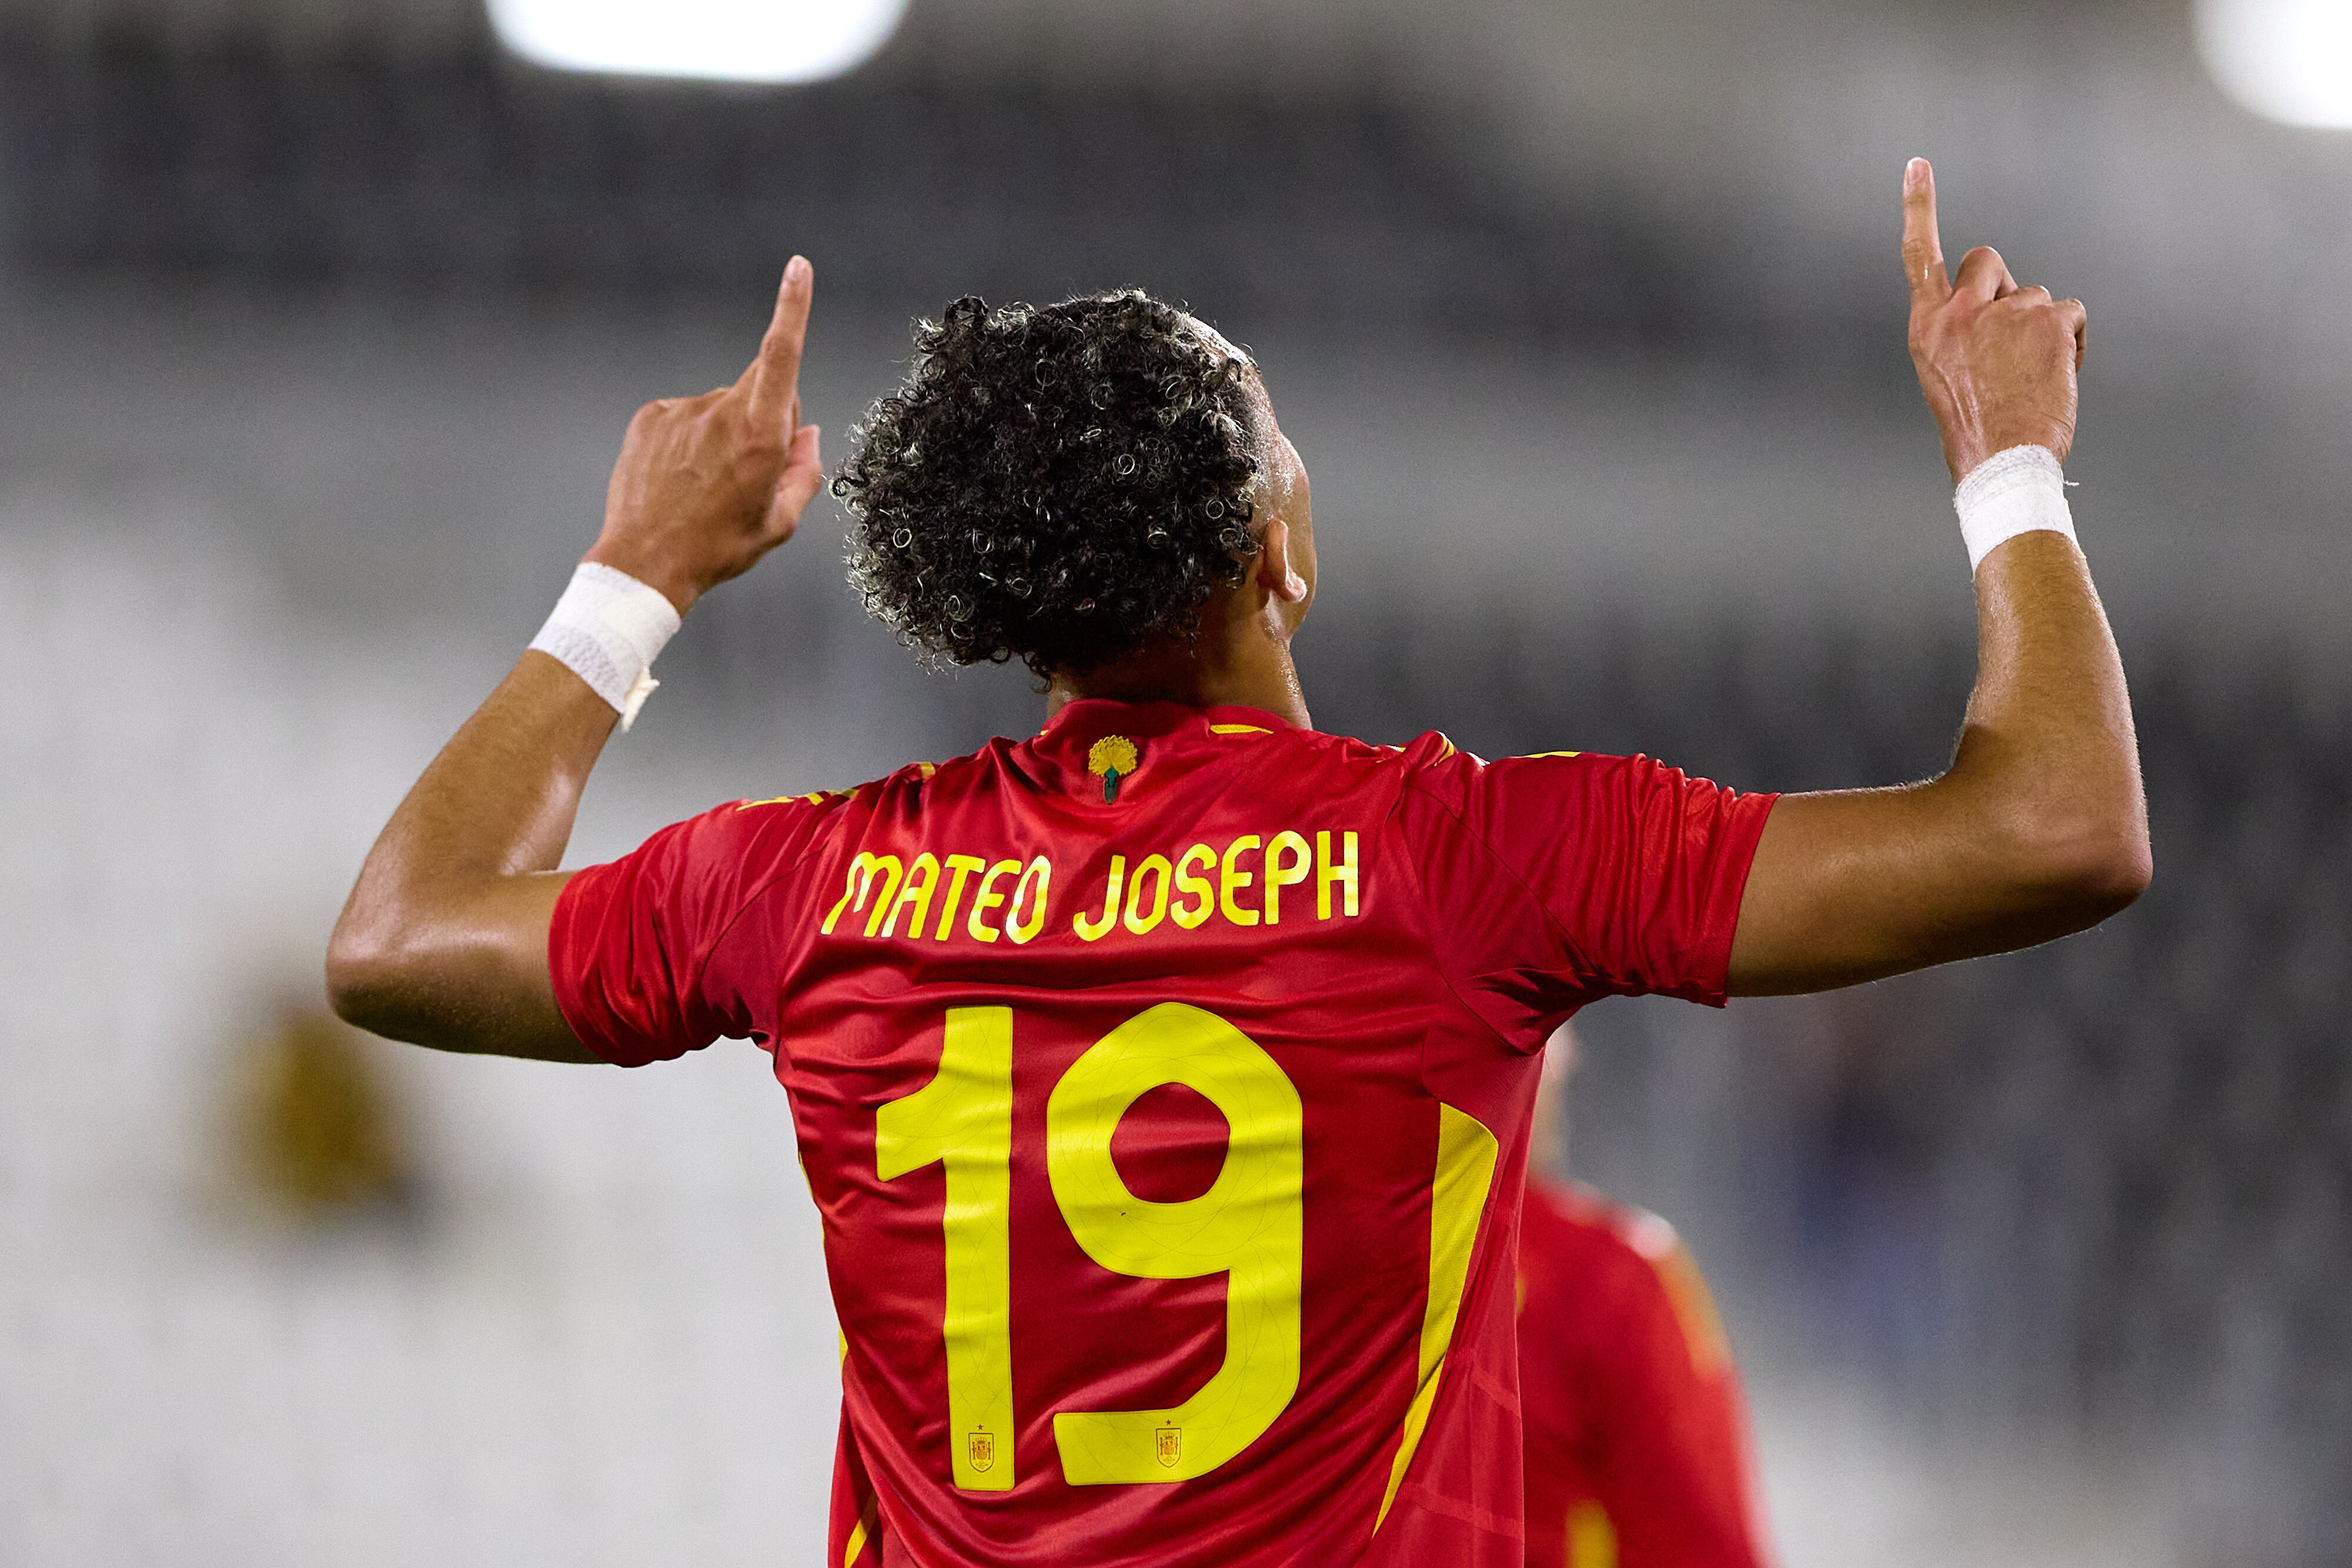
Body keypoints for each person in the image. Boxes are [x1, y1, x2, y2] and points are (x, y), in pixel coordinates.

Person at [326, 159, 2147, 1566]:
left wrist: (633, 575)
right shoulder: (1464, 865)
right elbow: (2053, 829)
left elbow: (400, 936)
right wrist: (2010, 461)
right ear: (1275, 552)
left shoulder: (810, 891)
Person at [1519, 1027, 1772, 1568]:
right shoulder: (1604, 1277)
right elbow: (1705, 1553)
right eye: (1547, 1024)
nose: (1569, 1059)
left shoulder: (1309, 1255)